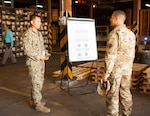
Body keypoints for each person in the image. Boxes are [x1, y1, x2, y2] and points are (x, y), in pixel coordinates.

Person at [101, 10, 136, 116]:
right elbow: (132, 54)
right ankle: (127, 113)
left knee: (112, 94)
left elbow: (110, 56)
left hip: (115, 71)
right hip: (127, 70)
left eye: (112, 17)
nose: (110, 19)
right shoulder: (131, 34)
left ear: (116, 18)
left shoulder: (114, 34)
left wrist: (105, 75)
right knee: (125, 92)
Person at [23, 15, 51, 113]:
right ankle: (37, 104)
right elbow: (27, 50)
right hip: (34, 62)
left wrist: (45, 54)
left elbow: (42, 47)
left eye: (40, 21)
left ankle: (33, 100)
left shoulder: (39, 34)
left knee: (40, 81)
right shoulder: (28, 34)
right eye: (38, 21)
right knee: (36, 82)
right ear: (32, 22)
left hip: (41, 62)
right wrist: (39, 57)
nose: (40, 23)